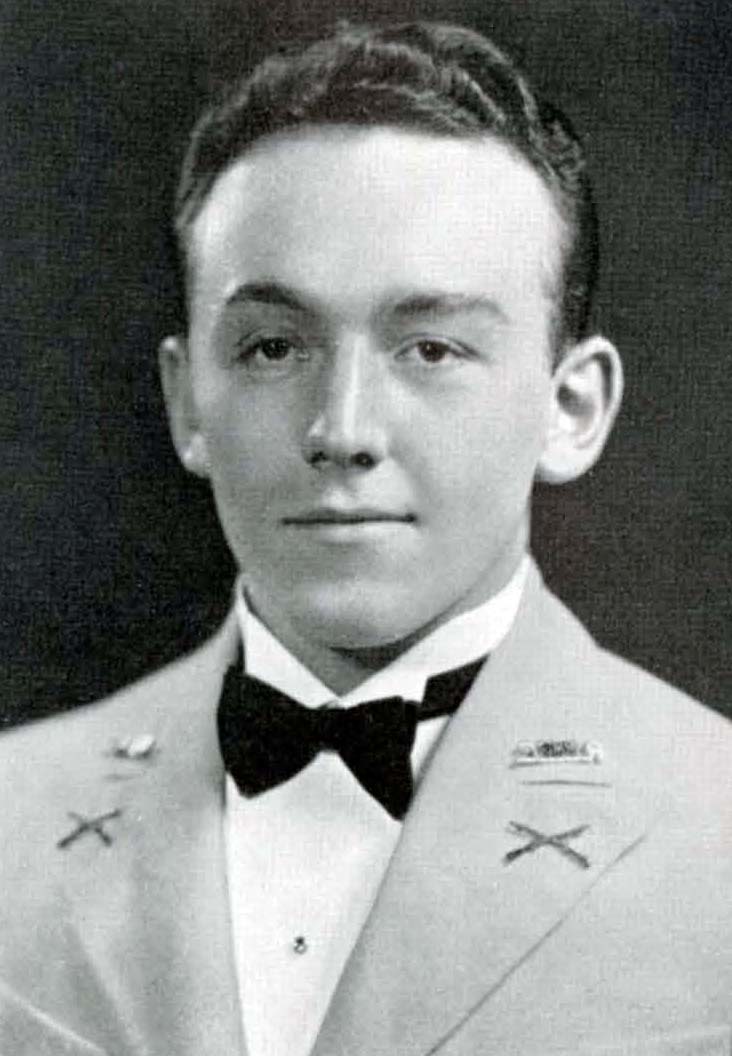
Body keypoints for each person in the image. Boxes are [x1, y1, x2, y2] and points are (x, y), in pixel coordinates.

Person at [1, 20, 730, 1056]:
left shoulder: (714, 828)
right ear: (187, 402)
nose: (341, 430)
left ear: (570, 408)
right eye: (272, 348)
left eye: (431, 349)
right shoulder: (13, 815)